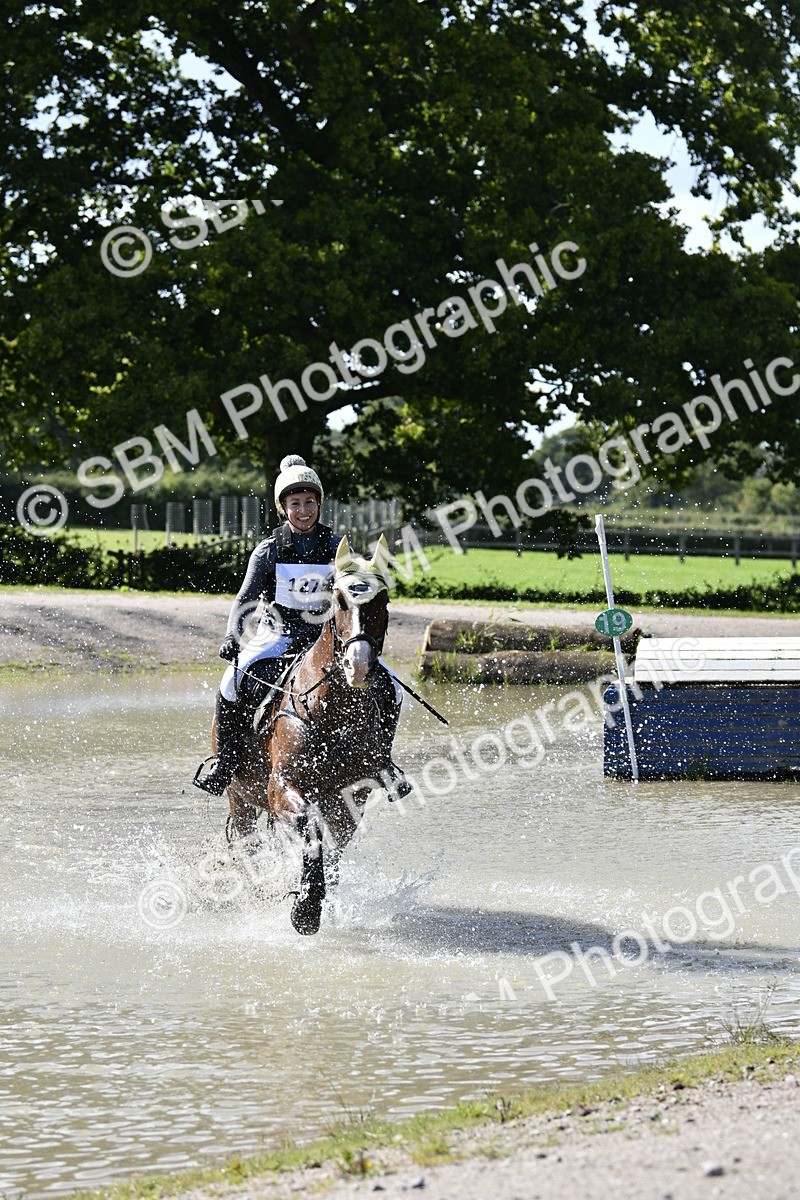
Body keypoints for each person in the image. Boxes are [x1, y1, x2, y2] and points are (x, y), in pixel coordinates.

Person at [193, 454, 408, 800]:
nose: (304, 510)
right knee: (230, 682)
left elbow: (355, 597)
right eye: (295, 504)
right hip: (278, 635)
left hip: (326, 638)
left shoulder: (338, 549)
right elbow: (244, 600)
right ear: (283, 508)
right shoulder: (268, 551)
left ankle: (382, 762)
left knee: (393, 688)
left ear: (320, 504)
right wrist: (232, 637)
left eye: (310, 502)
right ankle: (226, 761)